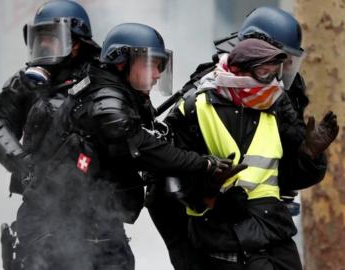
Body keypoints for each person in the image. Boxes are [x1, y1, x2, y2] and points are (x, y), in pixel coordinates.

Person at [19, 22, 245, 270]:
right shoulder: (105, 101)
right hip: (55, 228)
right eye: (151, 63)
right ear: (121, 61)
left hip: (95, 224)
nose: (158, 73)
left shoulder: (124, 95)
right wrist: (204, 165)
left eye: (160, 65)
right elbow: (145, 147)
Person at [146, 6, 327, 270]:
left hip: (268, 228)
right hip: (208, 229)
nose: (282, 73)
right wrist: (209, 195)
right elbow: (168, 182)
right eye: (279, 62)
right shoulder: (204, 96)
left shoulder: (283, 95)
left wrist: (310, 156)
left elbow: (287, 174)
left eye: (289, 63)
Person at [0, 1, 101, 269]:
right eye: (40, 38)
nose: (44, 44)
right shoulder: (26, 82)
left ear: (76, 43)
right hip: (41, 207)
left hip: (95, 209)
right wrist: (24, 164)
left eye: (51, 38)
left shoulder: (102, 82)